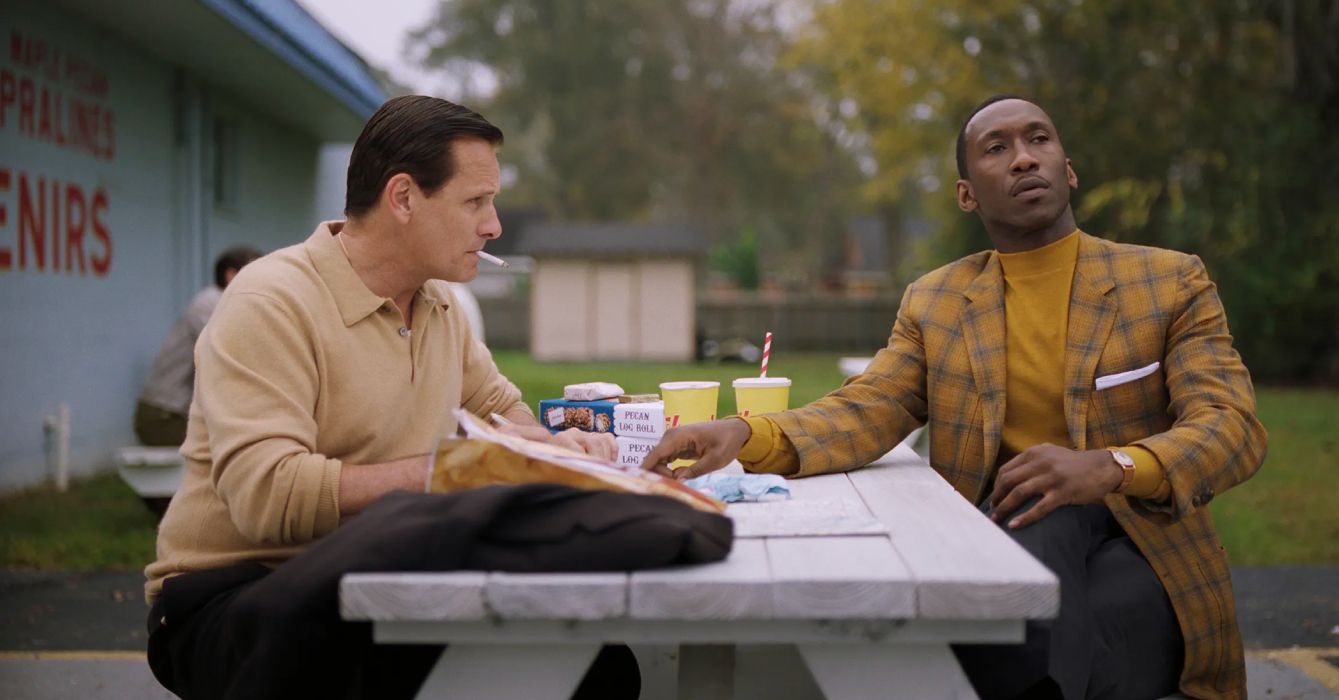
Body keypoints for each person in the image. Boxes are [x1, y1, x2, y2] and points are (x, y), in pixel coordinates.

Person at [642, 95, 1267, 700]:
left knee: (1019, 604)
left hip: (1144, 545)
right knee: (1037, 564)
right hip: (1001, 543)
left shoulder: (1167, 281)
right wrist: (745, 435)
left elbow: (1231, 425)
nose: (1024, 158)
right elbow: (867, 408)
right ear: (967, 194)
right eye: (997, 149)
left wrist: (1110, 465)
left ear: (1068, 169)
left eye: (1038, 139)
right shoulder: (938, 301)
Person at [143, 96, 728, 700]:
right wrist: (453, 472)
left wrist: (557, 446)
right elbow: (270, 497)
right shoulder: (273, 301)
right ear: (402, 198)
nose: (494, 225)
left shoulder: (437, 304)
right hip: (232, 597)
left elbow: (504, 415)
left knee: (598, 668)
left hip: (374, 577)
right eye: (475, 202)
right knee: (516, 671)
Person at [133, 247, 261, 447]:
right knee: (236, 448)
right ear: (231, 275)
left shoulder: (229, 304)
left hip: (178, 415)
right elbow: (235, 354)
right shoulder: (209, 305)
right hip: (162, 417)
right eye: (256, 271)